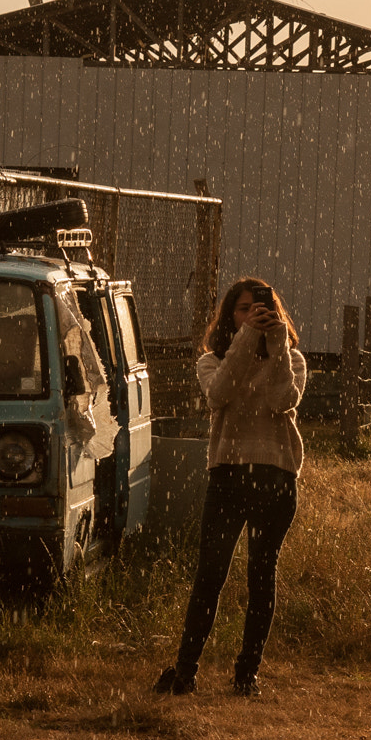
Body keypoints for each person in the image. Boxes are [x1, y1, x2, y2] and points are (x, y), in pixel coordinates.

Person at [154, 277, 309, 697]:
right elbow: (219, 393)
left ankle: (247, 675)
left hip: (275, 475)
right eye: (243, 309)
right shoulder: (212, 361)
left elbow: (283, 401)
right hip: (228, 474)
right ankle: (185, 672)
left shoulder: (291, 358)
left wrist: (275, 345)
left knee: (261, 574)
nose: (252, 316)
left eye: (260, 309)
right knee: (210, 574)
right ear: (229, 316)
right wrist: (246, 341)